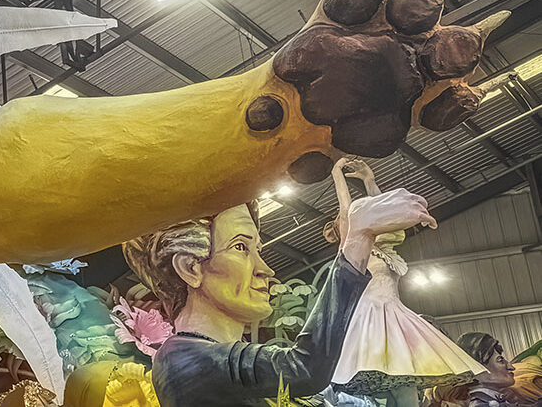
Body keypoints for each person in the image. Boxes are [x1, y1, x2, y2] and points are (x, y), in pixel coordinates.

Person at [123, 183, 436, 407]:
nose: (266, 270)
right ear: (191, 268)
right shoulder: (184, 358)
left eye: (257, 250)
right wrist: (356, 239)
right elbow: (304, 369)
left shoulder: (212, 355)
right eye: (240, 247)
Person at [327, 158, 483, 406]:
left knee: (402, 389)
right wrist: (337, 173)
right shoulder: (353, 248)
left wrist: (370, 181)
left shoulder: (385, 251)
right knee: (400, 391)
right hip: (370, 319)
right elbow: (347, 211)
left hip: (395, 317)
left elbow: (382, 210)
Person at [427, 333, 519, 407]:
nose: (511, 367)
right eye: (500, 361)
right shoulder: (481, 402)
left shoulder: (499, 398)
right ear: (478, 368)